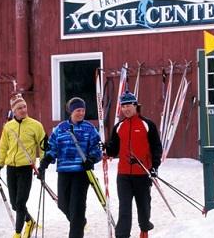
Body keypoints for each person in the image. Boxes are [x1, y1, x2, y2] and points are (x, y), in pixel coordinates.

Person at [37, 97, 102, 238]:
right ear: (71, 112)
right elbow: (53, 147)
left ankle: (77, 227)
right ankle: (80, 221)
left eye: (83, 110)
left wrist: (91, 159)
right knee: (63, 204)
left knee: (76, 208)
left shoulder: (89, 128)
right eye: (78, 110)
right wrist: (45, 161)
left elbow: (97, 149)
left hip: (82, 173)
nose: (81, 113)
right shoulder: (60, 128)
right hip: (64, 172)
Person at [106, 91, 162, 238]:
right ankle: (122, 235)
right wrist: (105, 148)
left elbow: (157, 148)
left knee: (143, 206)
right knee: (124, 208)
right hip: (123, 175)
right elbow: (113, 150)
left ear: (135, 105)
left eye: (128, 105)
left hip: (143, 173)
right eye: (123, 106)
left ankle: (144, 228)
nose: (126, 109)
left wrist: (154, 167)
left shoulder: (147, 124)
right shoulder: (119, 126)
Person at [0, 93, 47, 238]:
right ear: (14, 111)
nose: (23, 110)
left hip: (26, 169)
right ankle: (30, 221)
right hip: (11, 168)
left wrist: (43, 166)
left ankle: (18, 233)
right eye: (19, 108)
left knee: (21, 201)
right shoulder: (8, 127)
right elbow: (3, 148)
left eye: (24, 107)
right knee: (14, 204)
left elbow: (43, 148)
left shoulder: (36, 126)